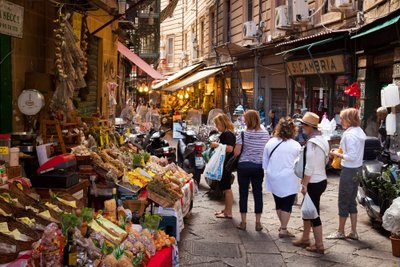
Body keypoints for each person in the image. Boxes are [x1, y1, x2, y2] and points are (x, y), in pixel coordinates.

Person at [292, 112, 330, 254]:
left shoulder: (313, 143)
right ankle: (305, 238)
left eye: (303, 125)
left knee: (314, 214)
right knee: (307, 210)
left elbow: (309, 167)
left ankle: (319, 245)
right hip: (322, 179)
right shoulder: (323, 140)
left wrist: (304, 184)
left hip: (314, 181)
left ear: (309, 127)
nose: (301, 127)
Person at [328, 108, 366, 240]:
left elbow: (351, 156)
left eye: (343, 118)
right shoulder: (359, 131)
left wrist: (336, 153)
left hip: (349, 169)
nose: (341, 121)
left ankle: (340, 231)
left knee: (343, 200)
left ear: (349, 120)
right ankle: (353, 231)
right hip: (357, 169)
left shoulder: (349, 135)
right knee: (351, 201)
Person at [263, 117, 301, 238]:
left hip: (273, 176)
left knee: (278, 202)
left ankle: (282, 226)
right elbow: (299, 164)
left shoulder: (270, 142)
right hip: (289, 178)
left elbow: (265, 162)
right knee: (287, 204)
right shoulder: (296, 145)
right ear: (293, 130)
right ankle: (284, 229)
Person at [234, 110, 270, 231]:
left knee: (243, 193)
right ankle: (258, 222)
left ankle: (243, 222)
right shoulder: (265, 134)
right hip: (258, 167)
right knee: (258, 193)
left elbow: (237, 152)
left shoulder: (242, 134)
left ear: (247, 120)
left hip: (243, 166)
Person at [210, 114, 236, 219]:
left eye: (217, 124)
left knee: (227, 188)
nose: (216, 127)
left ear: (222, 123)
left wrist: (217, 145)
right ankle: (226, 210)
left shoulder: (228, 134)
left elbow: (230, 148)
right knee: (224, 187)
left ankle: (228, 212)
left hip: (226, 164)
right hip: (224, 163)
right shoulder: (226, 133)